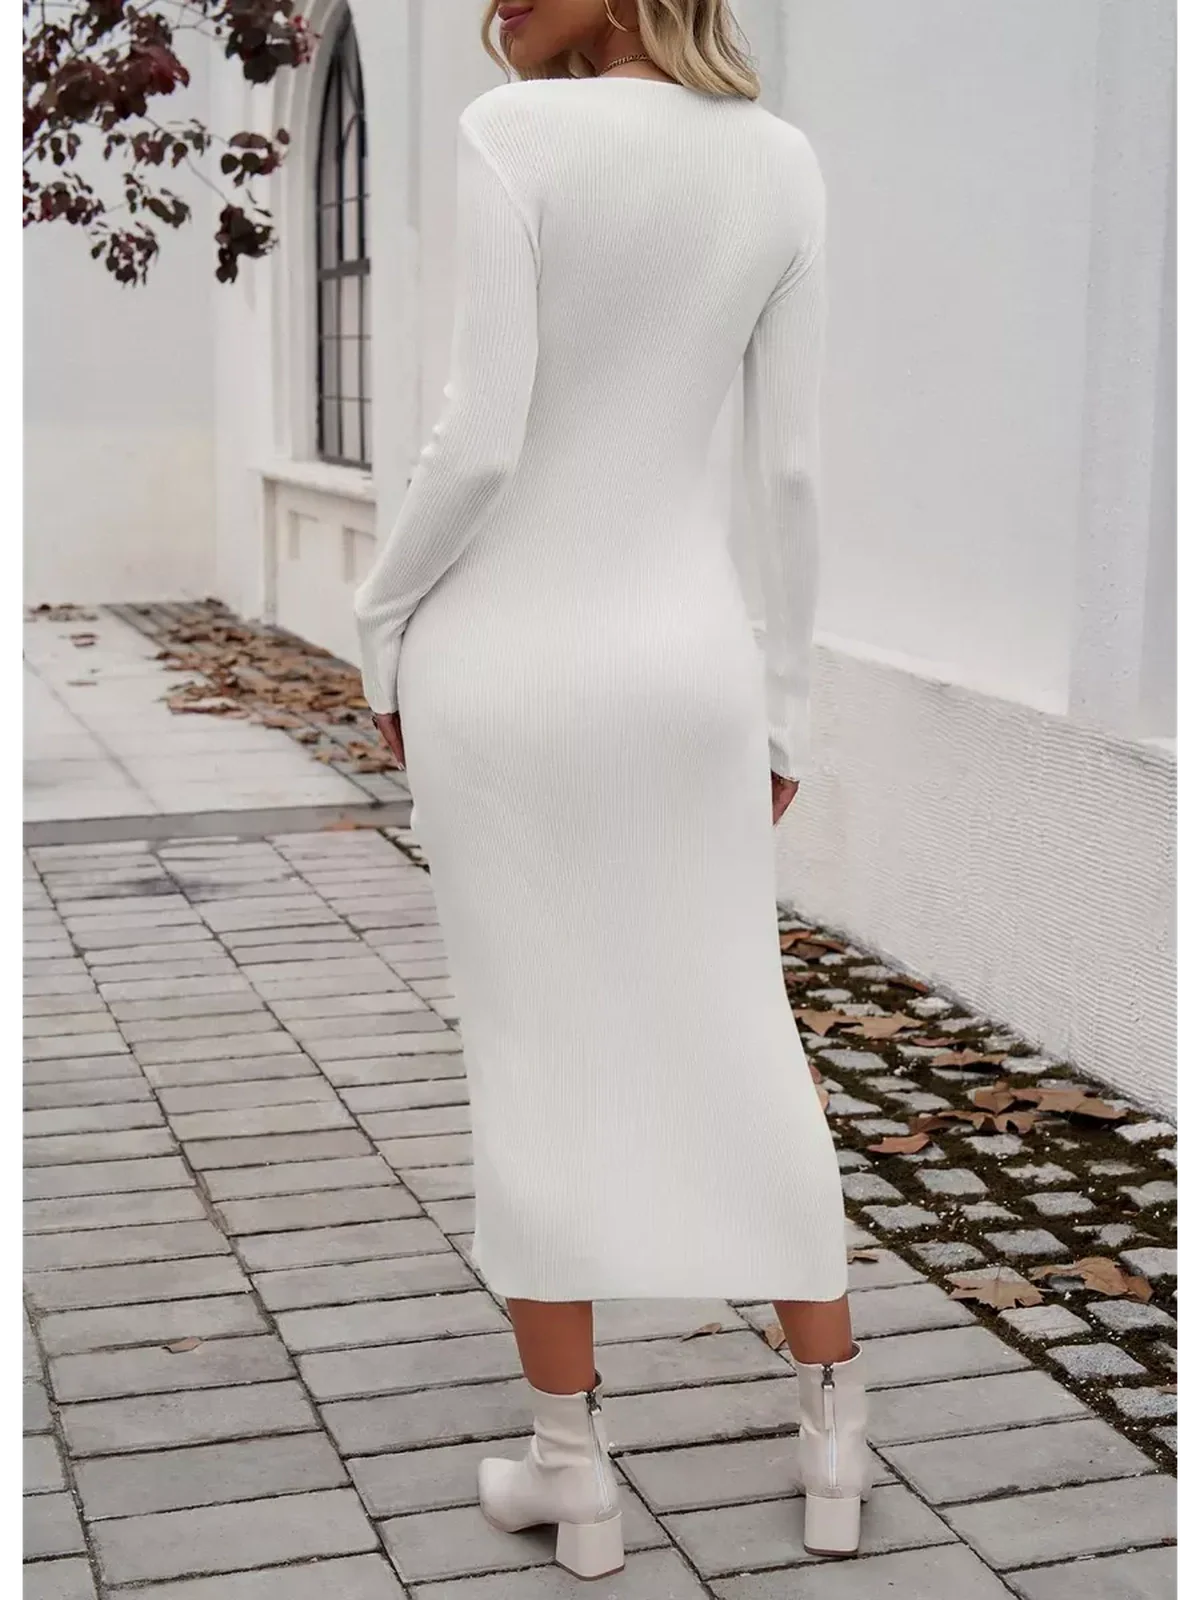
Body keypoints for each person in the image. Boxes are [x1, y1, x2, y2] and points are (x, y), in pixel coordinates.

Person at [354, 0, 867, 1579]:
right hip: (690, 674)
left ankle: (574, 1475)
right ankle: (833, 1431)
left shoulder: (513, 138)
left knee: (534, 1054)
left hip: (509, 672)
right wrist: (784, 712)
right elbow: (788, 474)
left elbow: (478, 440)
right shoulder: (781, 164)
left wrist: (378, 625)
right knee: (737, 1022)